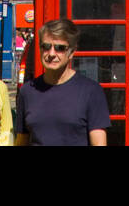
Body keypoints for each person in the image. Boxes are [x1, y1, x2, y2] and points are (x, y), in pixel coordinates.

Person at [15, 18, 110, 147]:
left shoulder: (91, 91)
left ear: (71, 52)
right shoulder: (27, 92)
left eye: (60, 48)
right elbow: (21, 140)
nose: (51, 54)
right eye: (46, 47)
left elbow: (99, 142)